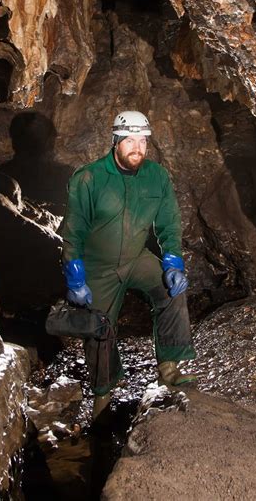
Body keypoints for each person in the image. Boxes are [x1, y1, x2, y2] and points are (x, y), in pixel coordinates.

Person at [61, 110, 196, 420]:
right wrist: (75, 278)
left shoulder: (157, 177)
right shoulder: (89, 177)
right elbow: (74, 231)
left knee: (172, 290)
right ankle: (103, 394)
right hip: (100, 266)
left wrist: (173, 262)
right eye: (130, 140)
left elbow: (169, 224)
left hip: (137, 258)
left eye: (143, 140)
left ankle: (169, 365)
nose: (138, 147)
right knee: (99, 328)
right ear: (116, 141)